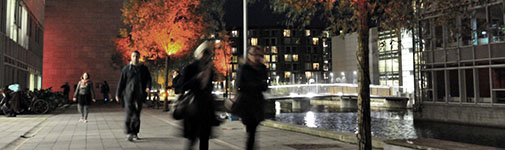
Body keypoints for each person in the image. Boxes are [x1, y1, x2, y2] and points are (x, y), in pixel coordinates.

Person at [180, 40, 220, 150]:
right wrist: (196, 78)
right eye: (203, 54)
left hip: (206, 107)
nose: (205, 58)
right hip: (193, 107)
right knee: (192, 139)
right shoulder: (190, 68)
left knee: (204, 138)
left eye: (208, 55)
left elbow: (209, 87)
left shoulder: (210, 70)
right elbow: (183, 87)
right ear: (198, 54)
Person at [235, 46, 268, 150]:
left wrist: (257, 85)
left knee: (252, 131)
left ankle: (251, 146)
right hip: (246, 103)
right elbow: (240, 85)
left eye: (259, 55)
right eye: (254, 54)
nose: (257, 57)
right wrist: (256, 85)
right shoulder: (244, 68)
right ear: (249, 55)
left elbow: (265, 86)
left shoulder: (263, 68)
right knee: (251, 130)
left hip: (258, 103)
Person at [116, 50, 152, 142]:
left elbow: (148, 79)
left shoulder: (143, 68)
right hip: (128, 95)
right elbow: (121, 82)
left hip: (139, 95)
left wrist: (148, 87)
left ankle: (135, 133)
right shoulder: (126, 69)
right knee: (129, 114)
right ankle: (128, 132)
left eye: (137, 56)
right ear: (131, 57)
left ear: (139, 57)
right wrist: (118, 94)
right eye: (133, 56)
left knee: (137, 115)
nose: (135, 58)